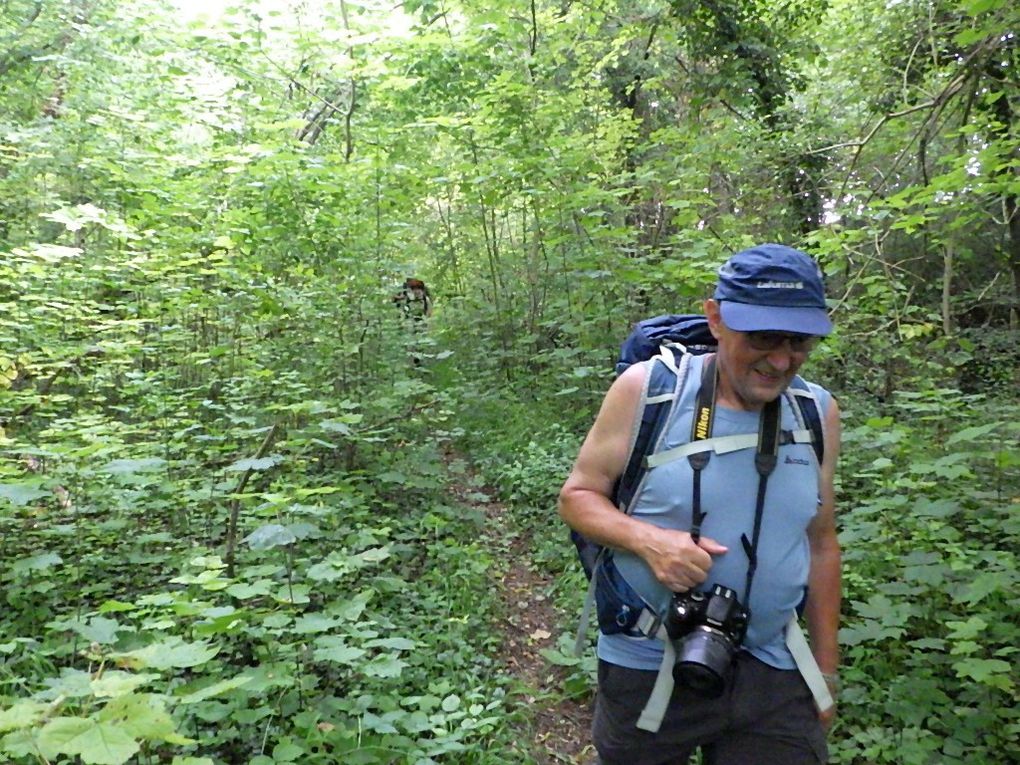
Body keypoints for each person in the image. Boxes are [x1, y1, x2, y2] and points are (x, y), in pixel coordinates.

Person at [559, 244, 841, 765]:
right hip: (650, 661)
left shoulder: (815, 412)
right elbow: (578, 496)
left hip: (774, 669)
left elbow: (821, 544)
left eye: (799, 342)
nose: (781, 360)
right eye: (762, 338)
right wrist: (649, 541)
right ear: (715, 318)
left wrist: (824, 666)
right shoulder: (649, 391)